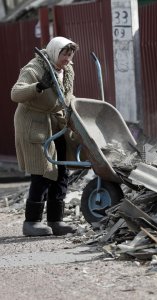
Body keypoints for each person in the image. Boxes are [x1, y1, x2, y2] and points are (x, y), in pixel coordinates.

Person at [11, 36, 79, 236]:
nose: (67, 59)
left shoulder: (67, 71)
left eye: (70, 54)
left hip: (56, 123)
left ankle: (55, 220)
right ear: (53, 51)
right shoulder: (34, 69)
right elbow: (15, 93)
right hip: (34, 123)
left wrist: (76, 109)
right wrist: (39, 86)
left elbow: (68, 96)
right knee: (42, 172)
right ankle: (31, 222)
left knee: (61, 171)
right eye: (64, 54)